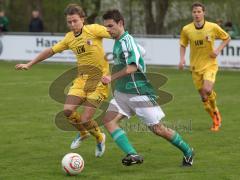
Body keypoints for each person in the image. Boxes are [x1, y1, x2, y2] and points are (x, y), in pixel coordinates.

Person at [15, 4, 111, 157]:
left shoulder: (94, 30)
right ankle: (83, 134)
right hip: (81, 80)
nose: (72, 25)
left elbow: (116, 34)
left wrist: (129, 51)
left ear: (82, 19)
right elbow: (50, 51)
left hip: (100, 81)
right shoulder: (69, 38)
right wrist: (29, 64)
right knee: (67, 110)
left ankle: (100, 137)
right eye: (69, 22)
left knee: (86, 119)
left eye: (75, 21)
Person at [101, 9, 194, 167]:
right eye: (106, 27)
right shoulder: (120, 41)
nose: (108, 30)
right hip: (123, 94)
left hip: (139, 94)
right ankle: (132, 154)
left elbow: (132, 67)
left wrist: (111, 77)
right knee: (108, 120)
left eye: (111, 26)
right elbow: (140, 52)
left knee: (158, 129)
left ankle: (188, 151)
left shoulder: (126, 41)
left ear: (121, 23)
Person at [179, 2, 231, 131]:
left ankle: (216, 113)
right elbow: (183, 44)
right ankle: (214, 117)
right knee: (203, 97)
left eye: (199, 11)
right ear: (192, 14)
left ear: (204, 13)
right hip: (195, 67)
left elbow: (227, 38)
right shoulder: (186, 29)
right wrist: (181, 59)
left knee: (208, 90)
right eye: (194, 12)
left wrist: (217, 50)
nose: (196, 14)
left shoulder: (212, 27)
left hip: (210, 64)